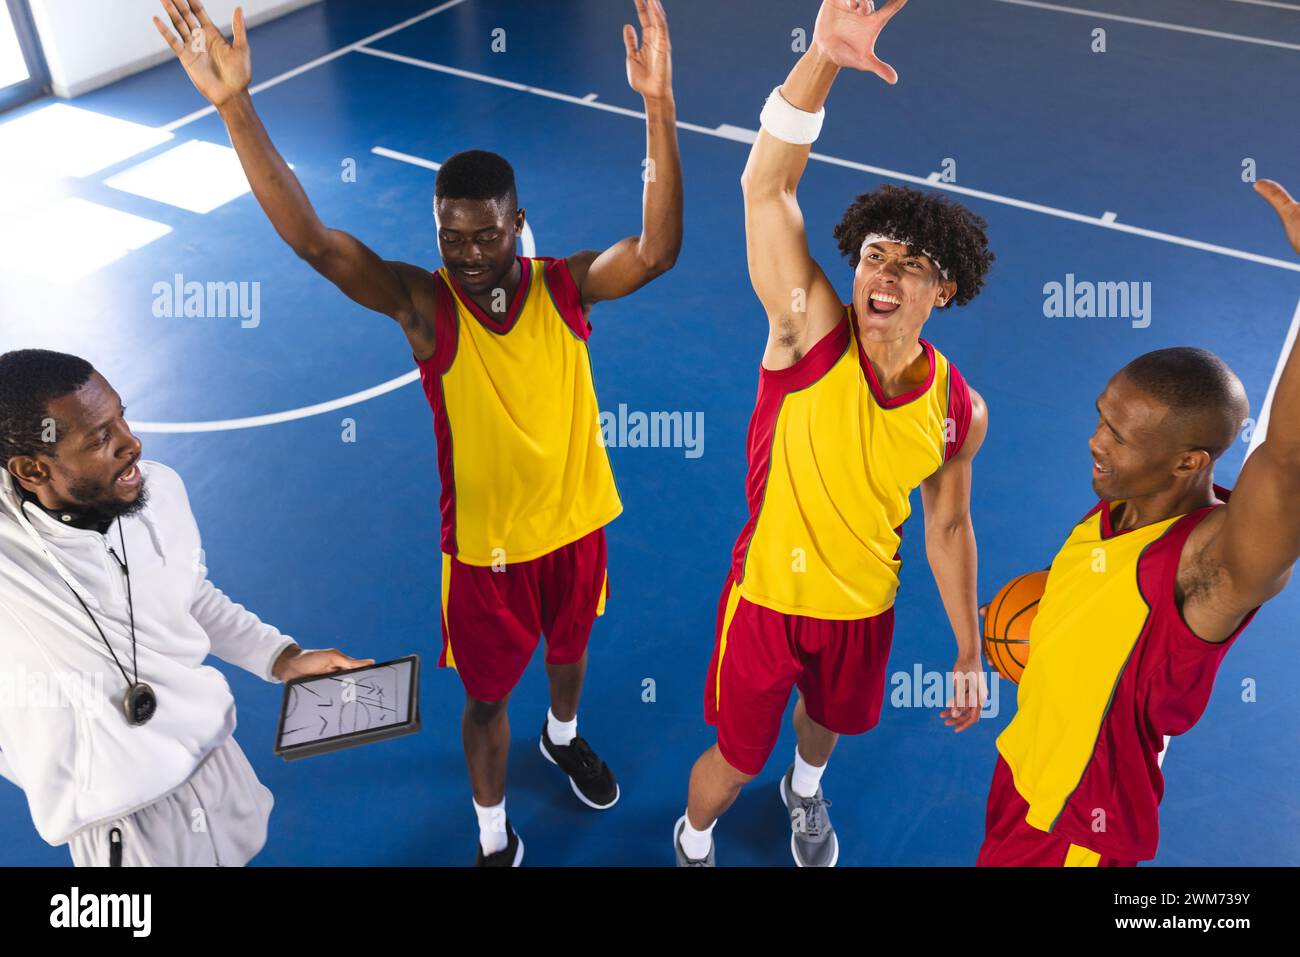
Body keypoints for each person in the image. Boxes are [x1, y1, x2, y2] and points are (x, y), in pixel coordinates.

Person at [153, 0, 682, 865]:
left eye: (483, 234)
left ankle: (562, 733)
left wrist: (658, 104)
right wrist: (234, 106)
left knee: (571, 654)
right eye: (449, 235)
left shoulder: (567, 287)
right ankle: (490, 834)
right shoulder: (427, 306)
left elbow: (658, 251)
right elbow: (318, 244)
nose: (466, 253)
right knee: (482, 700)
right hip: (485, 556)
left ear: (518, 223)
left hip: (579, 525)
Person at [676, 0, 993, 867]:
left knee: (825, 728)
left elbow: (949, 523)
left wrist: (969, 647)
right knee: (735, 759)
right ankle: (694, 837)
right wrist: (819, 59)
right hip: (770, 600)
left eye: (911, 264)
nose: (884, 274)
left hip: (863, 608)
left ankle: (805, 794)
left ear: (945, 292)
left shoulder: (959, 407)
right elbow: (766, 188)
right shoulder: (808, 332)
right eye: (874, 256)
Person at [977, 180, 1300, 867]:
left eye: (1119, 435)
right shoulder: (1123, 503)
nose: (1096, 440)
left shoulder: (1206, 565)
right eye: (1101, 415)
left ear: (1189, 459)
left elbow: (1288, 462)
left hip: (1078, 832)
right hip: (1025, 780)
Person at [0, 350, 370, 866]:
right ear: (31, 467)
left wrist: (281, 657)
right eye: (100, 439)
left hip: (215, 762)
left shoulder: (160, 490)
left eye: (121, 417)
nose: (131, 443)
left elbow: (188, 593)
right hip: (122, 824)